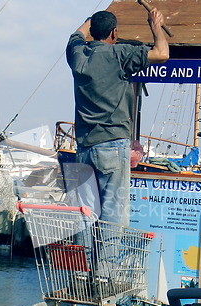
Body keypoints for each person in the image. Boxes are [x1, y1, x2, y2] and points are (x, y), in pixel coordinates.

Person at [66, 8, 169, 226]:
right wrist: (156, 26)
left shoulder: (78, 55)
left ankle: (85, 260)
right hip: (112, 145)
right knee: (113, 216)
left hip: (84, 147)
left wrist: (89, 20)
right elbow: (162, 53)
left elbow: (75, 35)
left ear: (92, 31)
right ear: (114, 33)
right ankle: (107, 262)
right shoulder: (120, 54)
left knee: (85, 214)